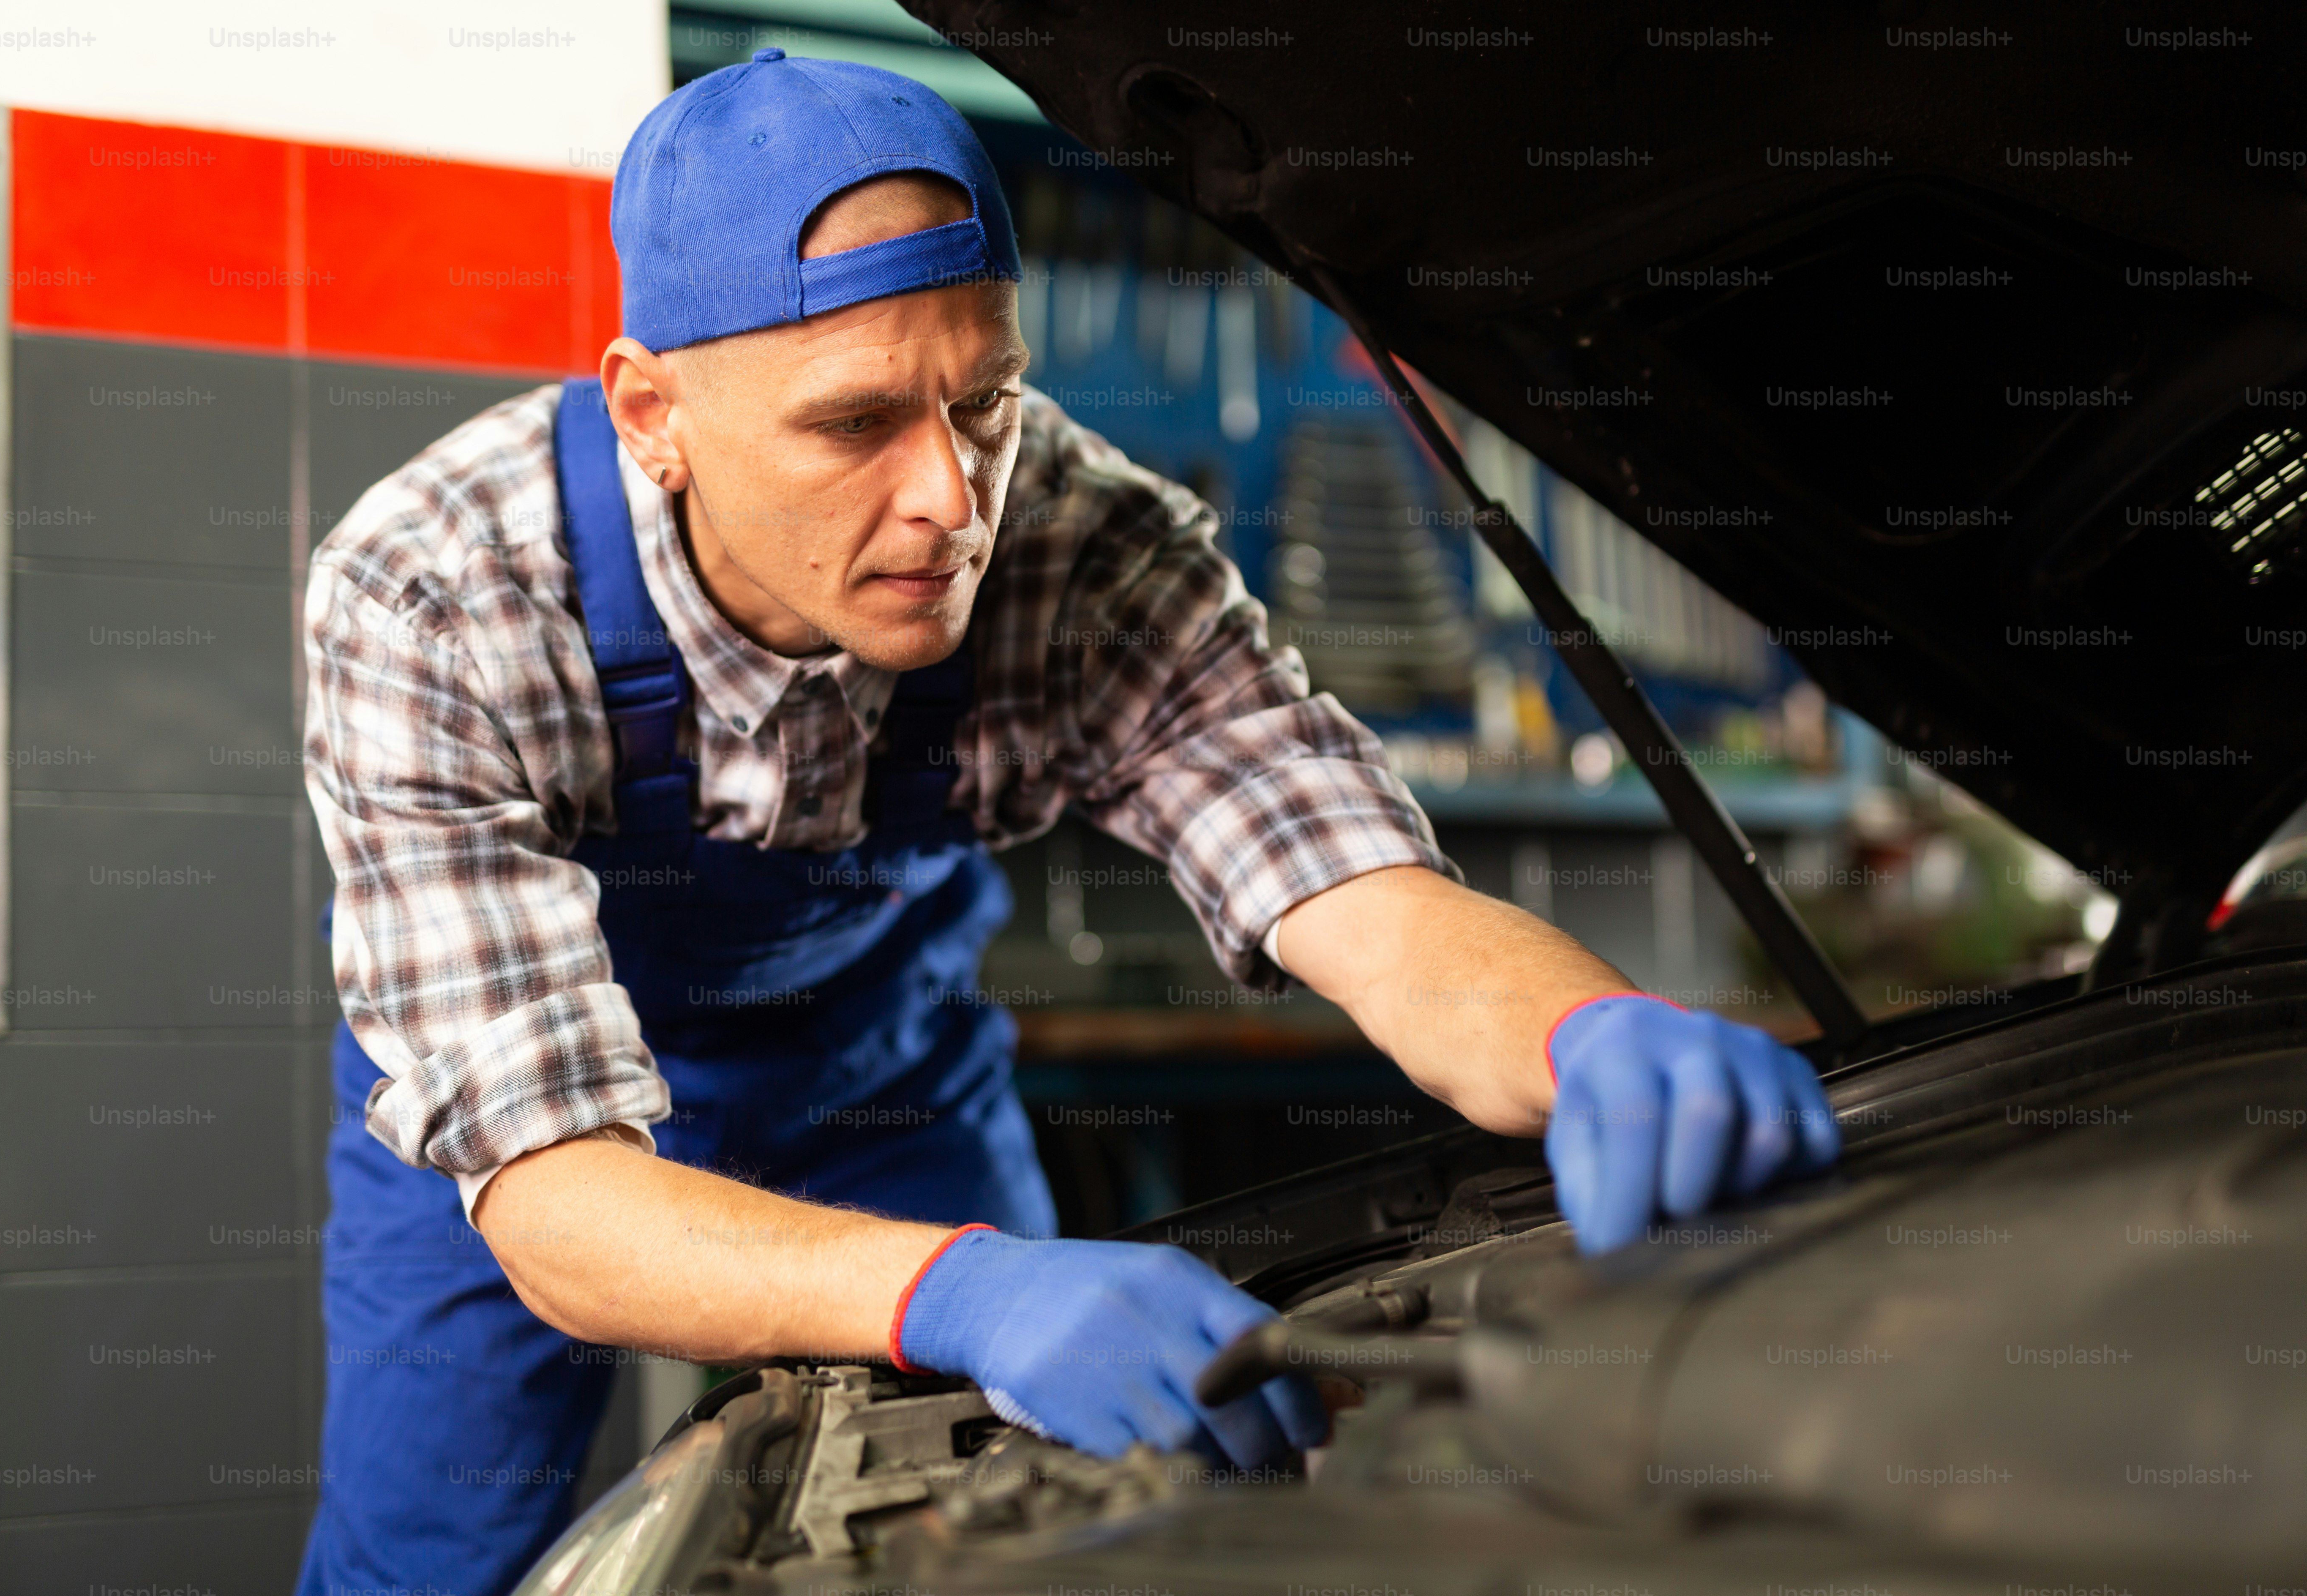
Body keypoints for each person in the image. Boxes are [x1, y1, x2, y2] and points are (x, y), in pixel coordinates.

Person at [294, 50, 1840, 1594]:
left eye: (984, 402)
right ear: (653, 413)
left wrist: (1584, 1032)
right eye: (853, 426)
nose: (952, 504)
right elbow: (562, 1208)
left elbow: (1354, 891)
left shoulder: (1087, 554)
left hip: (876, 1081)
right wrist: (966, 1290)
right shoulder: (440, 599)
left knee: (1041, 1520)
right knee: (428, 1554)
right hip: (521, 1141)